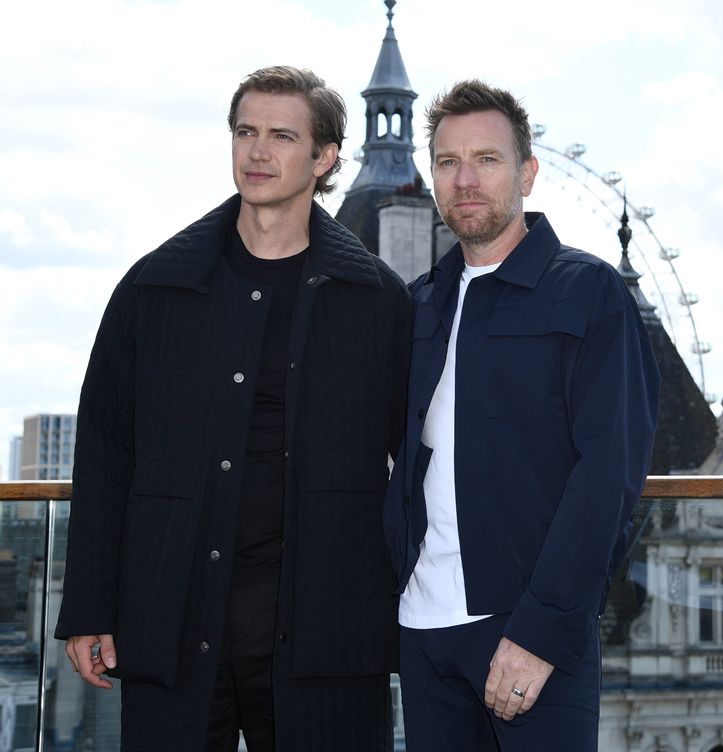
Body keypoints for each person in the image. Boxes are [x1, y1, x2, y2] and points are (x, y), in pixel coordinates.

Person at [55, 65, 410, 752]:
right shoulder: (155, 288)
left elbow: (422, 466)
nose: (257, 151)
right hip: (174, 620)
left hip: (327, 634)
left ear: (325, 157)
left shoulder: (378, 300)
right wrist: (89, 608)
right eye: (246, 132)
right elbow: (104, 452)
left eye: (282, 136)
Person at [383, 80, 660, 751]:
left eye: (487, 159)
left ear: (528, 173)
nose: (465, 180)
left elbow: (609, 474)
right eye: (448, 162)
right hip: (421, 633)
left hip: (527, 636)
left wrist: (542, 632)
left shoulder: (588, 292)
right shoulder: (418, 304)